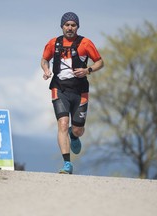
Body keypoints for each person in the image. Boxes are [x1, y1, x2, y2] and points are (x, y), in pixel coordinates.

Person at [41, 12, 104, 174]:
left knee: (77, 130)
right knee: (62, 124)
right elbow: (44, 59)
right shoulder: (53, 43)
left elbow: (100, 62)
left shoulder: (85, 43)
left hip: (80, 91)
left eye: (73, 25)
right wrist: (46, 70)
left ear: (77, 26)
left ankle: (74, 136)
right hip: (59, 89)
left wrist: (87, 70)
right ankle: (67, 164)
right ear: (62, 26)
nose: (70, 28)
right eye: (67, 25)